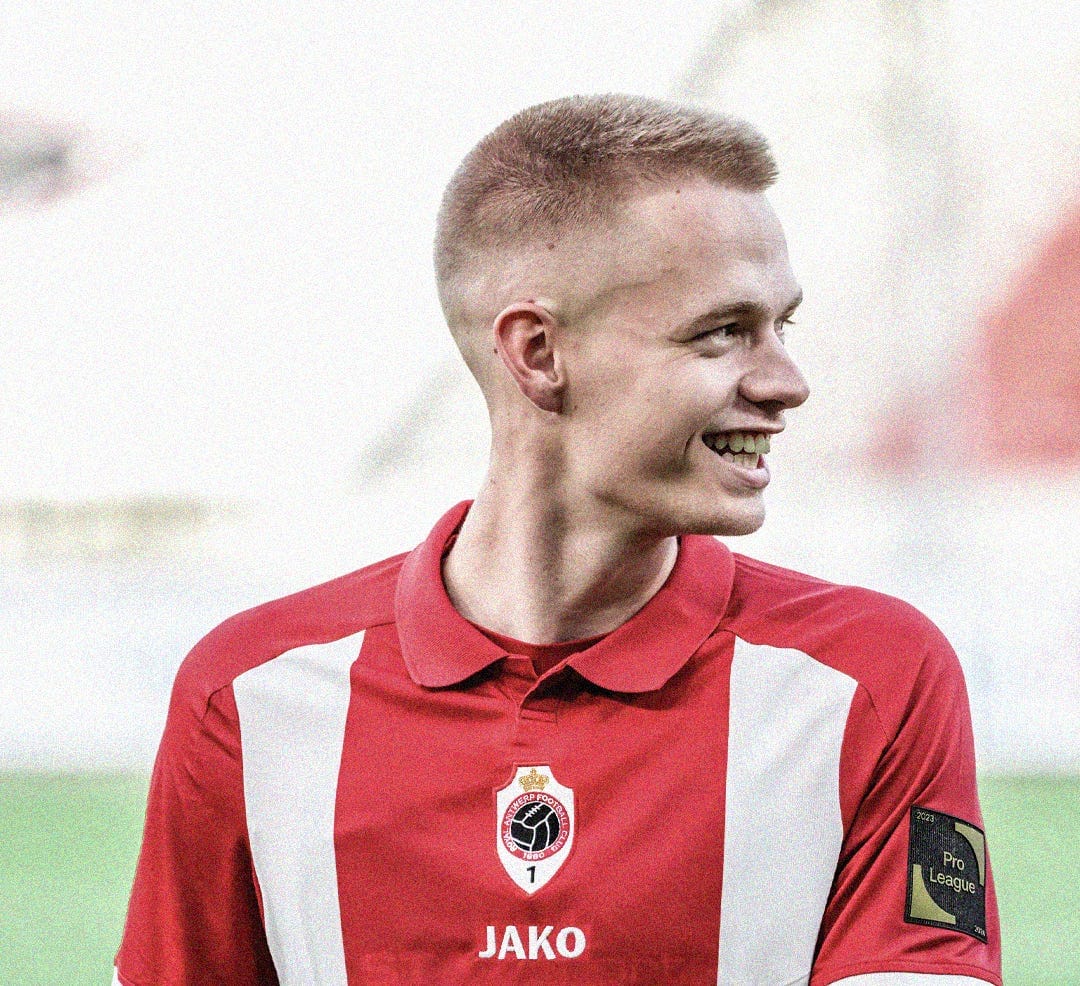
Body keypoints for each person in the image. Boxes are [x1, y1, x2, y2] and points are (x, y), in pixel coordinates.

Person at [114, 94, 1001, 985]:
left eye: (783, 326)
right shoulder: (250, 698)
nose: (786, 382)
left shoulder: (873, 680)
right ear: (537, 352)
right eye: (724, 333)